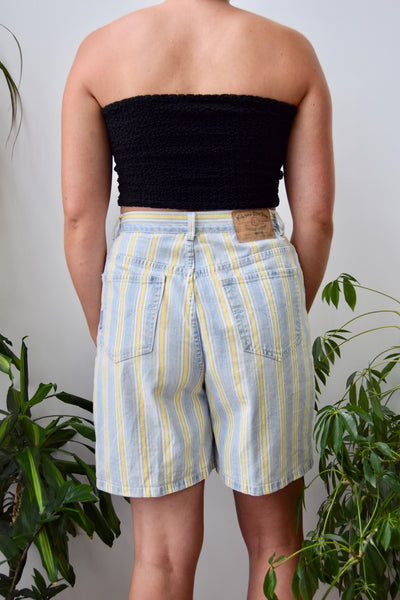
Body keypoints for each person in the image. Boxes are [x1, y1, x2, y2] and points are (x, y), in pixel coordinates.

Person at [61, 0, 334, 598]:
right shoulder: (290, 51)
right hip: (257, 266)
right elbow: (315, 220)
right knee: (277, 545)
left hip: (140, 284)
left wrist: (110, 331)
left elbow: (81, 220)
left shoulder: (100, 50)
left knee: (159, 557)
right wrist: (280, 317)